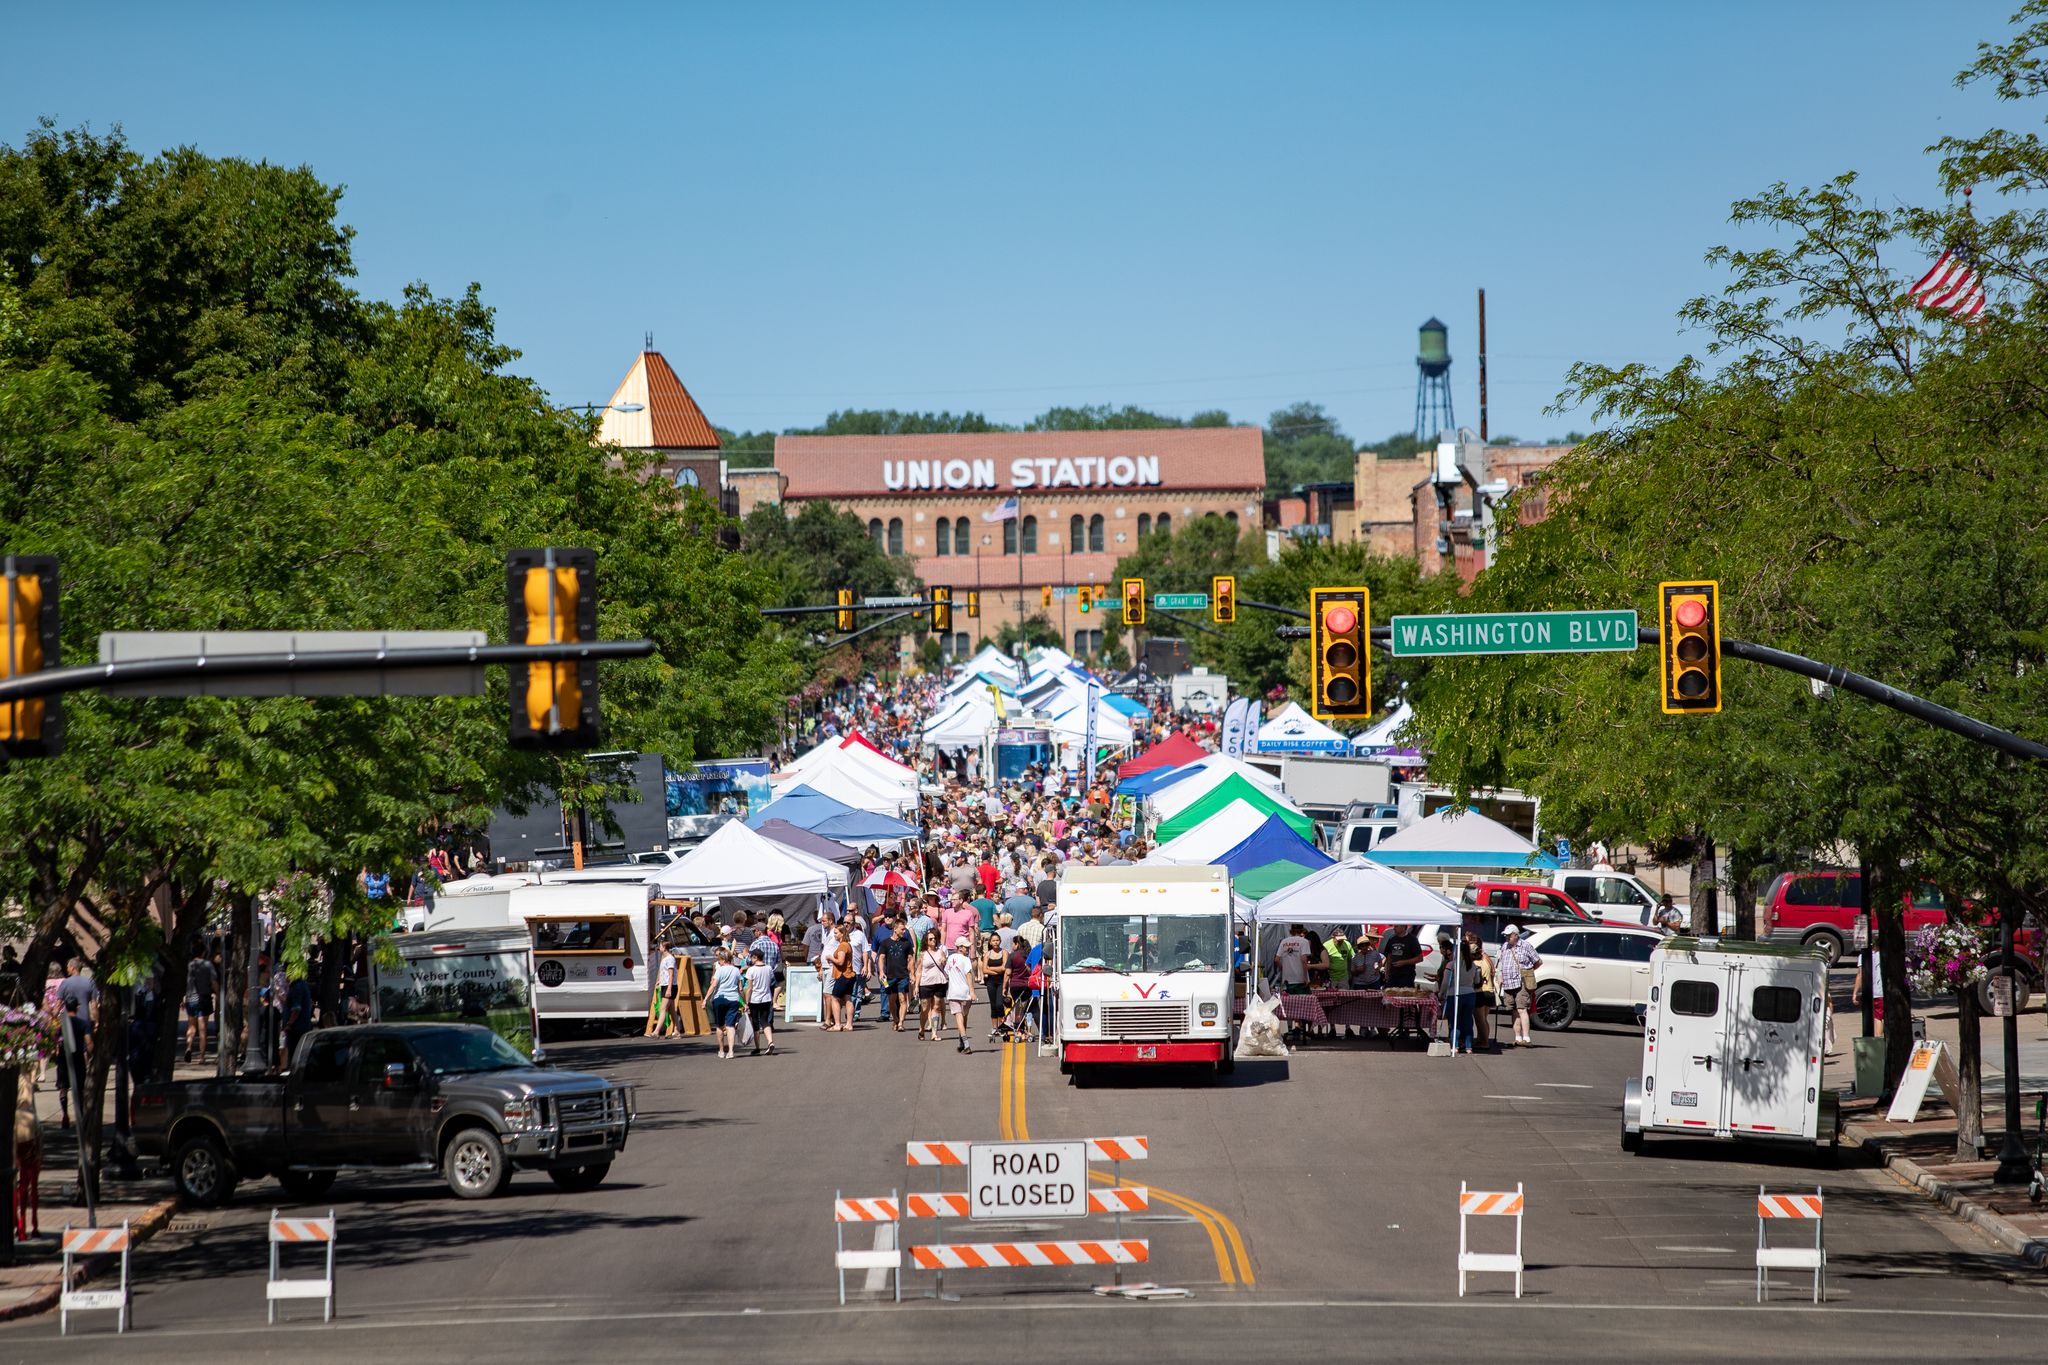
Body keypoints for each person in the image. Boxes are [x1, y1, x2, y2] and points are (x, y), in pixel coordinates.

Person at [1496, 926, 1542, 1046]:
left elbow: (1538, 961)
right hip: (1508, 983)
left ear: (1516, 935)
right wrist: (1500, 976)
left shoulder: (1526, 946)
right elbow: (1500, 963)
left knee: (1522, 1009)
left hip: (1522, 981)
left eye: (1508, 935)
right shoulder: (1504, 946)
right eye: (1506, 935)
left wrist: (1527, 971)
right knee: (1514, 1010)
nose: (1506, 937)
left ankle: (1526, 1038)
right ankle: (1518, 1038)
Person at [709, 948, 745, 1060]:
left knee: (719, 1025)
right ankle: (731, 1051)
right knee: (730, 1026)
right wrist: (745, 1002)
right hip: (733, 999)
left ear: (723, 959)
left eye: (719, 959)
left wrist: (706, 998)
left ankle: (721, 1050)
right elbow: (740, 988)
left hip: (719, 998)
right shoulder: (736, 971)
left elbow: (714, 985)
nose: (719, 961)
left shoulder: (720, 970)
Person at [881, 916, 915, 1032]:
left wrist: (912, 974)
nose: (904, 931)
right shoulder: (886, 943)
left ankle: (901, 1023)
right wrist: (881, 972)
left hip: (903, 975)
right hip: (890, 976)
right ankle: (895, 1018)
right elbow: (881, 958)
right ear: (895, 929)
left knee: (902, 999)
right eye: (902, 929)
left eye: (904, 929)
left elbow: (910, 959)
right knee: (891, 1000)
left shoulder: (907, 943)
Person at [1465, 930, 1497, 1052]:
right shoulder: (1486, 958)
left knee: (1480, 1020)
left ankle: (1484, 1042)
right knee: (1484, 1018)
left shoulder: (1473, 960)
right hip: (1489, 990)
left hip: (1479, 991)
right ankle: (1482, 1040)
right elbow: (1493, 972)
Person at [945, 936, 977, 1054]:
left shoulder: (950, 958)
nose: (967, 948)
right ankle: (965, 1042)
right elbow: (969, 975)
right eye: (965, 947)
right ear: (958, 947)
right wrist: (972, 991)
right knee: (962, 1016)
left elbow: (947, 973)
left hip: (955, 992)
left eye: (968, 946)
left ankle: (962, 1041)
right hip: (963, 992)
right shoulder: (965, 959)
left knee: (961, 1016)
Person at [185, 948, 216, 1063]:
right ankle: (202, 1056)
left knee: (191, 1026)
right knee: (202, 1029)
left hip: (191, 997)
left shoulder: (190, 965)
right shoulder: (207, 964)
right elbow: (213, 981)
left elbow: (187, 982)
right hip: (204, 997)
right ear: (203, 952)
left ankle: (189, 1047)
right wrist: (218, 992)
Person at [744, 946, 777, 1056]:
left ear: (755, 957)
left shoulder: (751, 970)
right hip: (766, 998)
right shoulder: (768, 968)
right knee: (765, 1021)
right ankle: (770, 1042)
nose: (751, 960)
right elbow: (771, 980)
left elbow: (749, 988)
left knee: (755, 1023)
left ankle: (757, 1047)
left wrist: (746, 1002)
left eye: (752, 958)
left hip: (755, 999)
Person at [917, 935, 950, 1041]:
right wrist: (916, 986)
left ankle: (934, 1033)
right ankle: (921, 1029)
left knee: (936, 1007)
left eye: (934, 938)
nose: (933, 940)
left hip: (939, 982)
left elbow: (946, 965)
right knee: (925, 1009)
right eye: (931, 939)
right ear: (926, 941)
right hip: (925, 983)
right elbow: (919, 970)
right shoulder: (923, 954)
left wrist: (944, 960)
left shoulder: (940, 952)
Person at [825, 927, 857, 1032]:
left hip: (843, 975)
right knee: (848, 998)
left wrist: (830, 958)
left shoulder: (843, 945)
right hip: (849, 975)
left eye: (836, 933)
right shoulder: (846, 945)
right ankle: (849, 1024)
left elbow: (840, 962)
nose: (834, 935)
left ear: (842, 934)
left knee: (834, 998)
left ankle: (837, 1024)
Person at [981, 930, 1009, 1041]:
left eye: (997, 940)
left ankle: (1002, 1026)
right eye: (994, 941)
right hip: (991, 982)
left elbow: (1005, 968)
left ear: (1000, 941)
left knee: (999, 1004)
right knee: (993, 1006)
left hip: (1001, 982)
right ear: (990, 943)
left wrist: (991, 969)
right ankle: (994, 1028)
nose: (996, 942)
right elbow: (984, 969)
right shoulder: (987, 954)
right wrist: (996, 971)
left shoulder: (1004, 953)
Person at [1381, 925, 1425, 989]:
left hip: (1406, 975)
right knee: (1390, 994)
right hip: (1393, 975)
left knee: (1405, 995)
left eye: (1396, 926)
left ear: (1403, 927)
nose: (1394, 928)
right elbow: (1389, 955)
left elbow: (1420, 958)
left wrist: (1404, 962)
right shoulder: (1392, 938)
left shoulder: (1412, 939)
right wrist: (1387, 973)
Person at [1274, 925, 1312, 995]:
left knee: (1289, 1003)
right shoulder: (1304, 941)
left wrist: (1283, 968)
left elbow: (1276, 959)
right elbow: (1304, 960)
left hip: (1287, 979)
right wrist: (1306, 978)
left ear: (1291, 931)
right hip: (1300, 979)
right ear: (1301, 931)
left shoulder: (1284, 941)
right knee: (1302, 1003)